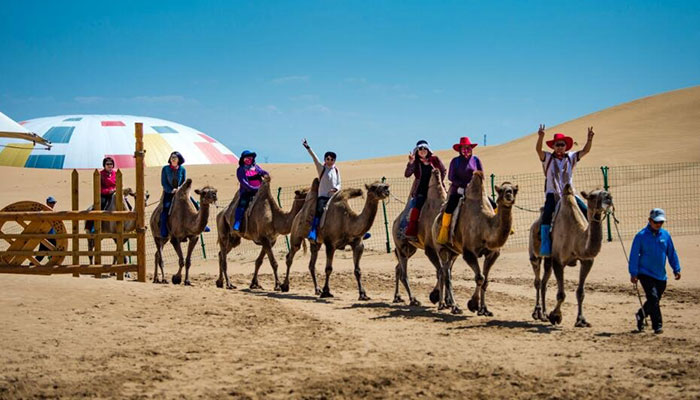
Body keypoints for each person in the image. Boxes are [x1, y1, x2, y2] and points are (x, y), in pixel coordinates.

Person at [535, 124, 594, 256]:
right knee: (547, 213)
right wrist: (541, 137)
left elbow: (585, 151)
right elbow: (538, 150)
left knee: (586, 211)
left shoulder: (571, 157)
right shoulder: (547, 158)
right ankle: (545, 243)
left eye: (562, 144)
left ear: (566, 146)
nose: (560, 147)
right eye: (557, 144)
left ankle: (589, 239)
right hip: (553, 193)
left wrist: (589, 140)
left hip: (570, 194)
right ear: (553, 147)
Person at [629, 208, 681, 334]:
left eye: (661, 222)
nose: (658, 224)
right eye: (656, 222)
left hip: (661, 275)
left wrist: (676, 268)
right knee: (653, 297)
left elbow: (671, 253)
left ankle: (641, 314)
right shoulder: (640, 236)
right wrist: (633, 273)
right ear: (650, 220)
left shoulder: (666, 235)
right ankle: (657, 325)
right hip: (645, 273)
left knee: (655, 300)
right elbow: (634, 255)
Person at [437, 136, 487, 244]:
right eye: (464, 148)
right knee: (449, 209)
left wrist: (475, 185)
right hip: (458, 190)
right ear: (460, 150)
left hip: (474, 191)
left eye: (468, 148)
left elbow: (481, 174)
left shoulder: (476, 160)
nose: (466, 150)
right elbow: (451, 177)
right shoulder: (455, 162)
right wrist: (461, 186)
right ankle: (444, 232)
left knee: (492, 204)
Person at [403, 139, 446, 240]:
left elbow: (443, 170)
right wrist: (411, 163)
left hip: (437, 189)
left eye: (424, 149)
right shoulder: (416, 162)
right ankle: (412, 230)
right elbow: (407, 174)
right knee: (417, 206)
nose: (422, 151)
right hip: (421, 190)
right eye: (420, 149)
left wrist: (438, 182)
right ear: (417, 151)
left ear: (428, 150)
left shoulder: (435, 160)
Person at [302, 138, 341, 241]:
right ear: (325, 159)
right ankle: (313, 231)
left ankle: (355, 232)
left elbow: (339, 183)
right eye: (328, 159)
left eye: (332, 159)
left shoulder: (336, 170)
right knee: (318, 211)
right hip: (323, 197)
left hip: (334, 197)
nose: (330, 161)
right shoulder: (321, 168)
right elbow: (314, 158)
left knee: (344, 209)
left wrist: (336, 189)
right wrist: (308, 147)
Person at [232, 150, 269, 231]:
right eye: (246, 158)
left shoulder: (256, 167)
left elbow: (262, 172)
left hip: (260, 191)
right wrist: (253, 188)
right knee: (242, 204)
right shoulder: (241, 170)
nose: (249, 160)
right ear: (243, 160)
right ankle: (237, 222)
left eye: (250, 158)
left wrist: (266, 174)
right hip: (247, 192)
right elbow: (244, 182)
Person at [159, 151, 187, 237]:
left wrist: (180, 188)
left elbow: (184, 181)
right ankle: (163, 228)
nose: (173, 159)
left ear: (179, 159)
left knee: (194, 204)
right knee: (166, 208)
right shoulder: (165, 169)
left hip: (180, 192)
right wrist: (171, 190)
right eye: (172, 157)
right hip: (169, 192)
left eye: (175, 157)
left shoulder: (182, 169)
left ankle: (202, 225)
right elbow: (164, 182)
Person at [86, 157, 117, 232]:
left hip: (115, 193)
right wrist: (108, 191)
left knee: (127, 204)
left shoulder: (115, 173)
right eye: (107, 164)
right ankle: (90, 227)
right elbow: (99, 188)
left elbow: (118, 184)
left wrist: (115, 189)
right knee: (100, 206)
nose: (109, 166)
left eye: (111, 164)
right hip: (105, 194)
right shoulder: (100, 174)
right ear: (104, 165)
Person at [36, 196, 57, 262]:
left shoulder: (54, 212)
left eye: (53, 203)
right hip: (45, 236)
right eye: (51, 203)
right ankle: (32, 265)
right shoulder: (42, 212)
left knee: (54, 253)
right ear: (47, 203)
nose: (52, 204)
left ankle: (51, 266)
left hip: (53, 236)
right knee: (41, 255)